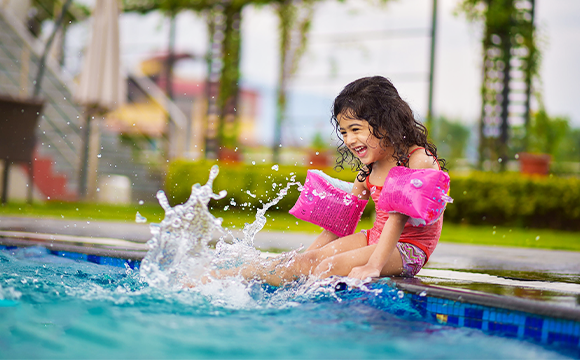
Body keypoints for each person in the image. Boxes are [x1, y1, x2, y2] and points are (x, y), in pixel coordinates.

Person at [207, 76, 447, 287]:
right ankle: (223, 277)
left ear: (386, 122)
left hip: (408, 250)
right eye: (344, 132)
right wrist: (299, 262)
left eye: (356, 129)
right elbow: (340, 226)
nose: (350, 140)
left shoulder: (417, 161)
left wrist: (372, 266)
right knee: (306, 263)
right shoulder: (369, 170)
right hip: (374, 238)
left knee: (327, 267)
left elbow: (396, 218)